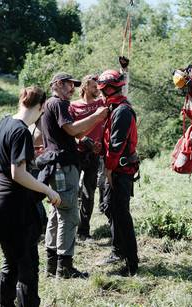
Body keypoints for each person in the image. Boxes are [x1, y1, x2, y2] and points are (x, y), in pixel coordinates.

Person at [0, 86, 61, 306]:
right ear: (42, 106)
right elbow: (18, 174)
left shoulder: (6, 121)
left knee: (11, 264)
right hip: (12, 211)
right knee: (27, 269)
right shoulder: (22, 131)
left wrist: (23, 155)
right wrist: (47, 190)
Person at [40, 72, 108, 279]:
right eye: (70, 85)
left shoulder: (48, 104)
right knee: (69, 215)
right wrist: (97, 116)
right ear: (59, 84)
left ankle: (51, 266)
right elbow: (70, 129)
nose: (72, 89)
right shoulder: (59, 104)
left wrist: (86, 140)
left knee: (56, 212)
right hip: (63, 165)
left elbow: (74, 133)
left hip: (55, 164)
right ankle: (65, 267)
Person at [95, 69, 139, 276]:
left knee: (121, 214)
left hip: (119, 170)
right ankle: (118, 250)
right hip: (115, 168)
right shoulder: (114, 108)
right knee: (109, 208)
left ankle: (131, 264)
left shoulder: (122, 111)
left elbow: (116, 145)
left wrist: (110, 170)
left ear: (109, 88)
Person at [69, 74, 105, 241]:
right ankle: (69, 227)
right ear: (84, 87)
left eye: (98, 86)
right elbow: (68, 131)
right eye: (93, 86)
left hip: (94, 154)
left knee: (89, 192)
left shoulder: (100, 103)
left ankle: (84, 231)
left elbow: (120, 93)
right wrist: (82, 139)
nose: (97, 88)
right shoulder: (73, 106)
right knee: (72, 190)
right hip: (76, 152)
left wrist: (123, 70)